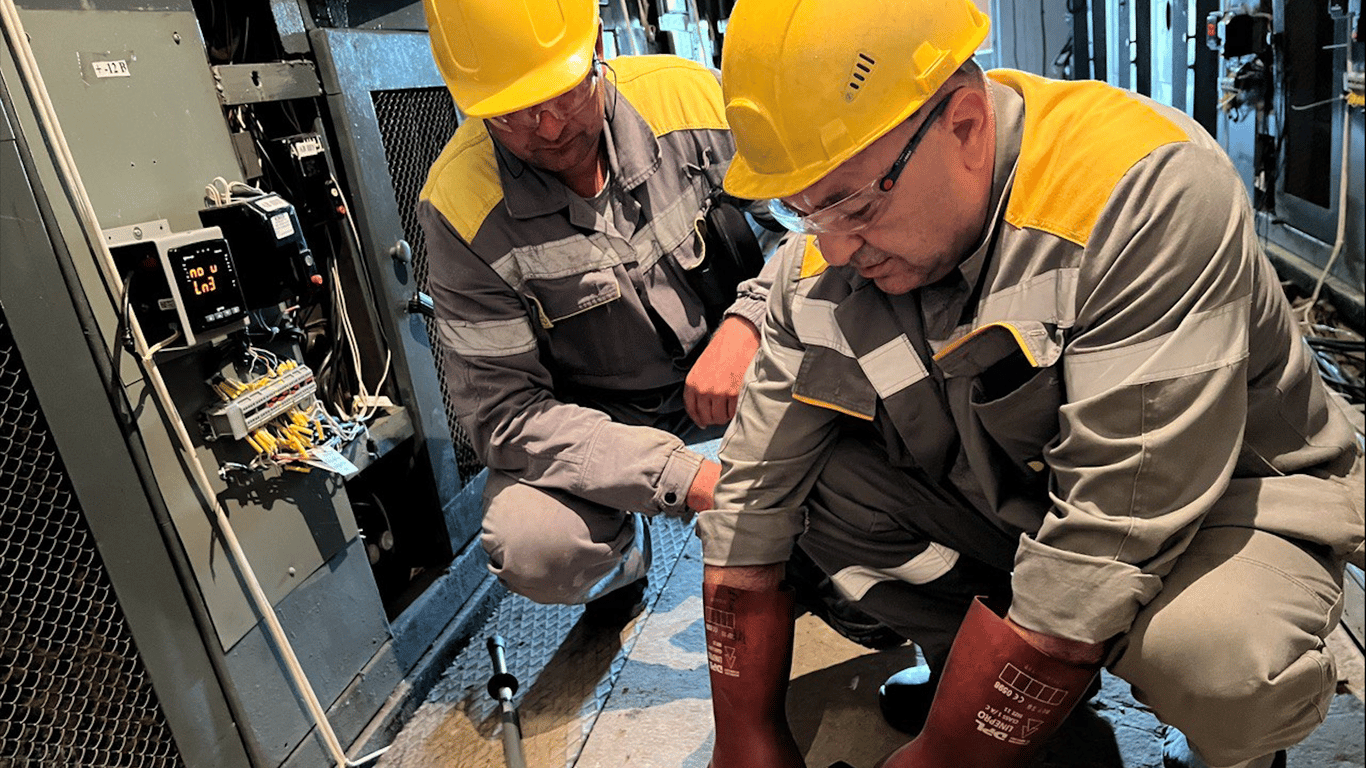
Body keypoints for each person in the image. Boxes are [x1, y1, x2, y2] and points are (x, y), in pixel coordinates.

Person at [698, 1, 1366, 767]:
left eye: (854, 203)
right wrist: (745, 739)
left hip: (1221, 504)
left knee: (1215, 660)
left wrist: (941, 758)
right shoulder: (827, 250)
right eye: (801, 210)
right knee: (815, 487)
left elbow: (1109, 532)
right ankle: (985, 685)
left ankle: (1231, 746)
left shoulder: (1140, 193)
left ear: (964, 126)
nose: (837, 248)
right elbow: (749, 502)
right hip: (1026, 500)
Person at [414, 0, 786, 625]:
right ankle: (622, 564)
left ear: (597, 52)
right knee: (535, 544)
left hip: (744, 369)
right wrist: (677, 475)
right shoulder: (460, 209)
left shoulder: (692, 103)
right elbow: (506, 415)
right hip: (600, 422)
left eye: (562, 93)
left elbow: (818, 229)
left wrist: (749, 319)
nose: (547, 127)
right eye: (510, 113)